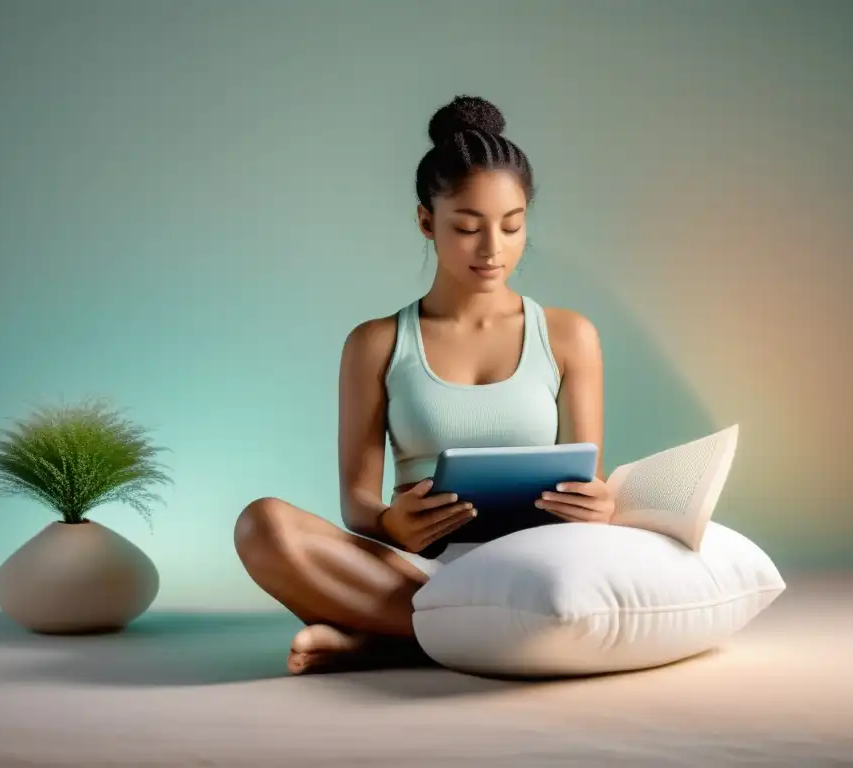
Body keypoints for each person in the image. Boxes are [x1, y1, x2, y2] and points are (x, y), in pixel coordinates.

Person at [234, 95, 616, 675]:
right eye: (467, 228)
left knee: (570, 581)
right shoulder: (376, 343)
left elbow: (589, 479)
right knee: (262, 525)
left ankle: (386, 640)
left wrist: (599, 501)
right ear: (425, 221)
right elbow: (358, 503)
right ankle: (457, 637)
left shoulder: (569, 335)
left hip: (533, 570)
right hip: (415, 573)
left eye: (512, 227)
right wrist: (389, 522)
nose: (493, 250)